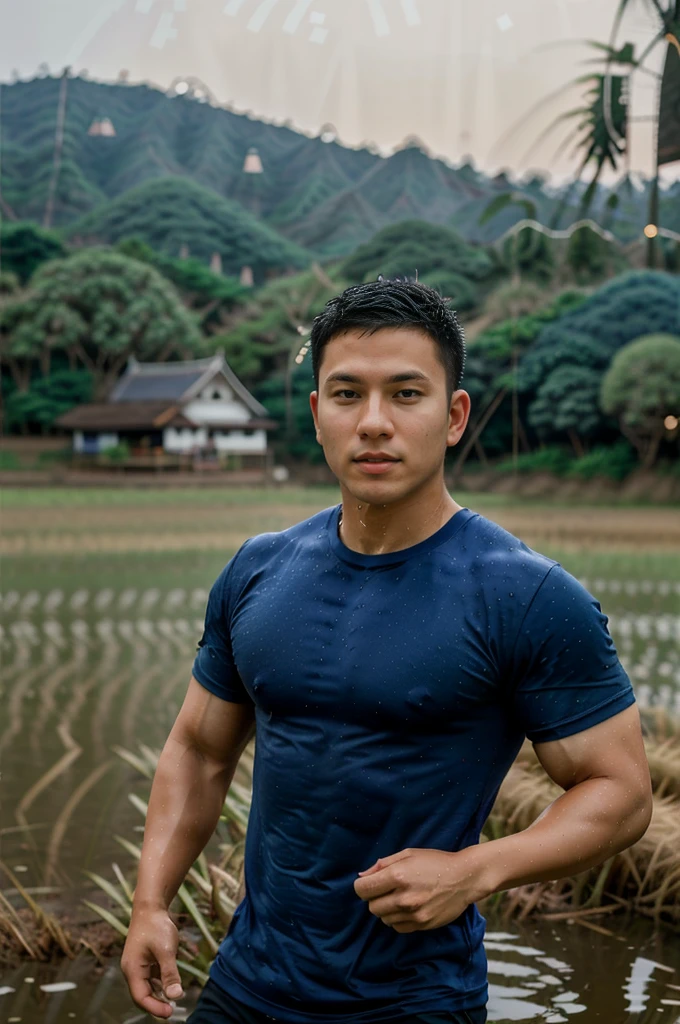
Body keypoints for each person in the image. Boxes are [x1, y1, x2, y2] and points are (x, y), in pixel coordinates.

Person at [121, 279, 652, 1024]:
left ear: (454, 415)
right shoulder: (259, 569)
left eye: (406, 394)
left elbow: (622, 792)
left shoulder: (525, 595)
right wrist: (151, 903)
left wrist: (476, 869)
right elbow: (199, 751)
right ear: (317, 415)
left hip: (415, 1001)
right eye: (347, 395)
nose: (374, 423)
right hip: (246, 985)